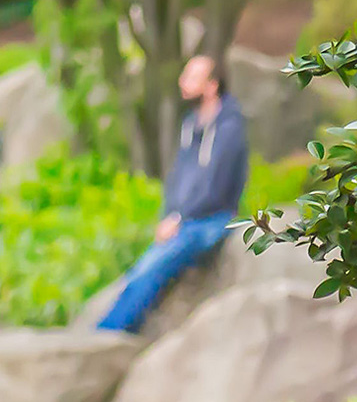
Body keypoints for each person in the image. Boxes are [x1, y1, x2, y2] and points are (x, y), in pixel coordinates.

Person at [98, 55, 248, 333]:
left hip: (212, 220)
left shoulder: (229, 128)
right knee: (144, 267)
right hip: (184, 220)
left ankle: (110, 332)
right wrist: (169, 214)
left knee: (155, 264)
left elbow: (215, 187)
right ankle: (109, 330)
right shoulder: (191, 124)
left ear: (211, 86)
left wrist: (179, 218)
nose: (182, 82)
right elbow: (178, 178)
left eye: (192, 78)